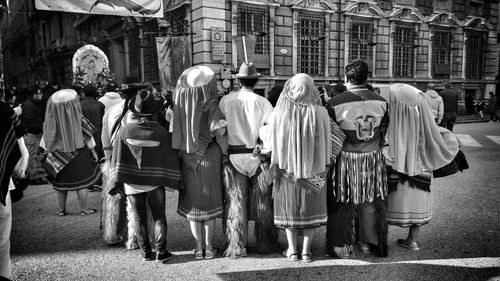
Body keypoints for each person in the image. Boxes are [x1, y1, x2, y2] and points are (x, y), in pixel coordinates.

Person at [262, 73, 331, 262]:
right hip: (315, 170)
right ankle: (307, 251)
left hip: (286, 170)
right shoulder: (321, 112)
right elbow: (328, 143)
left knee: (290, 208)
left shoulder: (278, 112)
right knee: (311, 210)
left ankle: (292, 250)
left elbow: (270, 142)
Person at [325, 59, 389, 258]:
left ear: (346, 78)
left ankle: (342, 243)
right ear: (366, 78)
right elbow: (384, 132)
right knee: (370, 200)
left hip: (346, 159)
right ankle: (369, 242)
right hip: (372, 157)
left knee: (343, 200)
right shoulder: (381, 101)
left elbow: (331, 136)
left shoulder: (334, 103)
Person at [384, 84, 459, 251]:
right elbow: (441, 139)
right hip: (421, 170)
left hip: (396, 169)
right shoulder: (426, 124)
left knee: (389, 202)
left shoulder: (394, 125)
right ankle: (412, 240)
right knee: (418, 202)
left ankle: (382, 240)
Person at [111, 90, 181, 262]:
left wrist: (117, 181)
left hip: (132, 183)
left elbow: (116, 158)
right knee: (159, 217)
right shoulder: (161, 133)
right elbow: (169, 158)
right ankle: (161, 251)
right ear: (154, 111)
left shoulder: (124, 131)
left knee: (138, 218)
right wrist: (173, 178)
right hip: (155, 183)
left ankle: (145, 253)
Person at [219, 62, 279, 258]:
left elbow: (220, 130)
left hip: (234, 156)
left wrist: (224, 148)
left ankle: (237, 244)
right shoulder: (263, 102)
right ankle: (266, 244)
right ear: (256, 81)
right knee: (262, 202)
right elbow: (270, 131)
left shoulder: (226, 101)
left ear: (237, 80)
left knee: (236, 202)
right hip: (257, 156)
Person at [172, 66, 227, 259]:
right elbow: (219, 131)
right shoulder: (211, 104)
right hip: (209, 155)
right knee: (209, 205)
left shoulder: (180, 104)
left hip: (187, 155)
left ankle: (197, 248)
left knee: (194, 205)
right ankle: (209, 247)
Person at [100, 78, 145, 247]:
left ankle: (111, 234)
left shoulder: (111, 109)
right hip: (133, 157)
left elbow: (104, 135)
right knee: (135, 197)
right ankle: (133, 237)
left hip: (113, 155)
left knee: (113, 198)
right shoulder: (137, 110)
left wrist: (108, 156)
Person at [42, 89, 101, 216]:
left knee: (60, 184)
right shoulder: (78, 119)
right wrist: (93, 152)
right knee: (81, 183)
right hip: (78, 153)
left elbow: (46, 138)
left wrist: (47, 150)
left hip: (58, 154)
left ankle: (61, 210)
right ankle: (84, 210)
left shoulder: (51, 121)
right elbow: (89, 137)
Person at [0, 100, 29, 281]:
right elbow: (20, 148)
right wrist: (20, 171)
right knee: (2, 240)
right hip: (1, 184)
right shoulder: (3, 109)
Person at [80, 84, 105, 162]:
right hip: (99, 135)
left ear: (84, 93)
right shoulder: (100, 105)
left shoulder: (79, 105)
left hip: (84, 135)